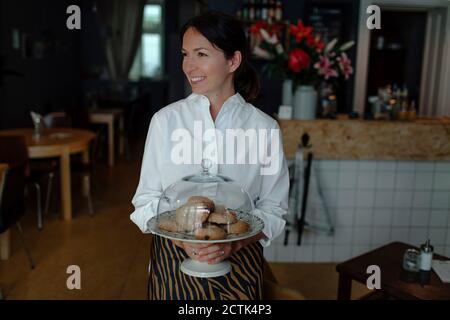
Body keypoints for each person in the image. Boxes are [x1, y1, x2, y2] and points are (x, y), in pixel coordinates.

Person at [130, 10, 289, 300]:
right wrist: (184, 241)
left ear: (233, 61)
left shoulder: (264, 128)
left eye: (201, 54)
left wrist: (233, 245)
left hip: (241, 263)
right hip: (172, 261)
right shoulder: (165, 121)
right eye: (185, 54)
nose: (189, 66)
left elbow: (274, 209)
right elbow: (145, 200)